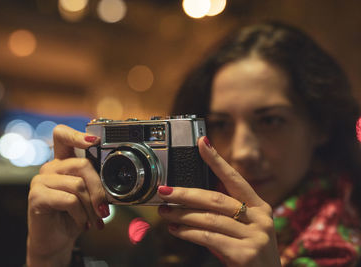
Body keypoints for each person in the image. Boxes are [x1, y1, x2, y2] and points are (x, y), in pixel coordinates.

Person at [26, 21, 361, 266]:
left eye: (271, 121)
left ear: (321, 126)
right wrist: (48, 256)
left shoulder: (347, 240)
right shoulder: (177, 241)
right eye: (220, 125)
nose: (242, 151)